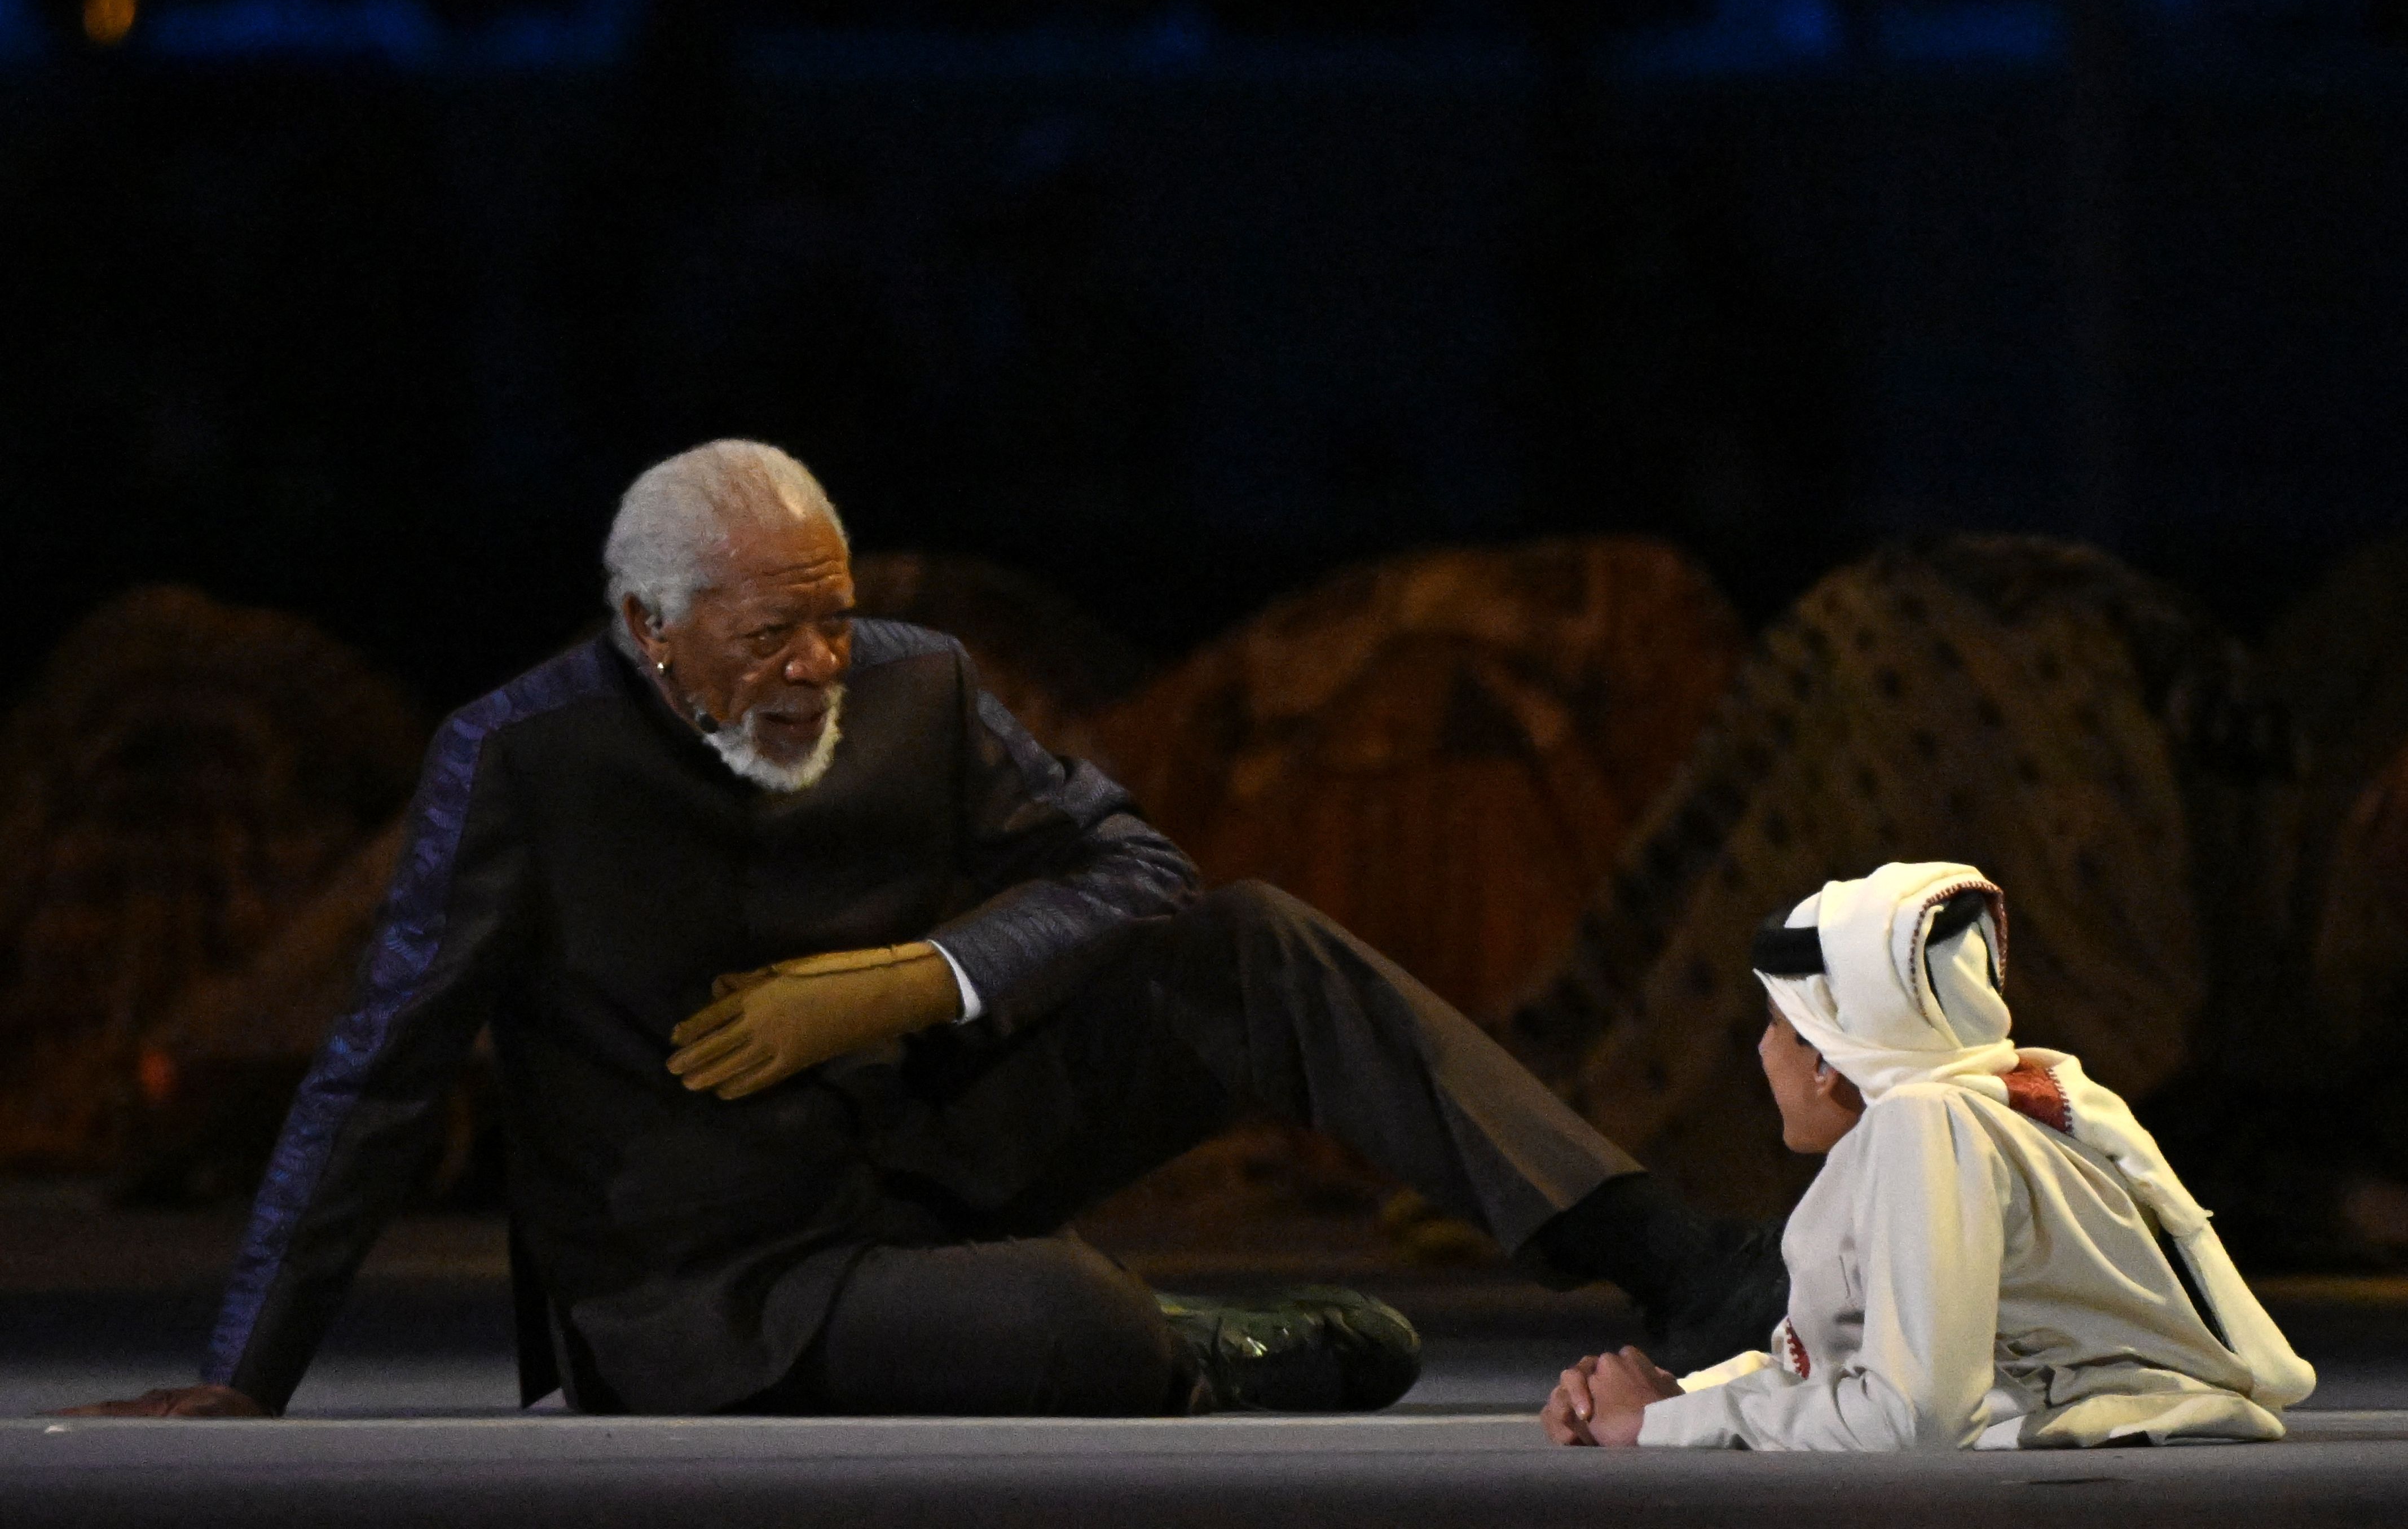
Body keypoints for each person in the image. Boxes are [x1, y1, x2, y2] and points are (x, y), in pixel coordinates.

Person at [63, 438, 1780, 1422]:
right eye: (770, 636)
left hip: (927, 1136)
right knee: (1067, 1327)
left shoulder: (914, 687)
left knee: (1258, 941)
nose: (819, 664)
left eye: (833, 616)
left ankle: (1672, 1258)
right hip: (721, 1276)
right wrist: (247, 1374)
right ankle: (1215, 1349)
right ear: (655, 634)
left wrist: (915, 976)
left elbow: (1135, 870)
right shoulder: (519, 765)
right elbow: (373, 1077)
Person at [1542, 860, 2317, 1451]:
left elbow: (1913, 1414)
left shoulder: (1926, 1123)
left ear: (1827, 1053)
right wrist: (1671, 1398)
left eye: (1776, 1023)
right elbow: (1869, 1371)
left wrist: (1664, 1427)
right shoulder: (1995, 1098)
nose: (1760, 1048)